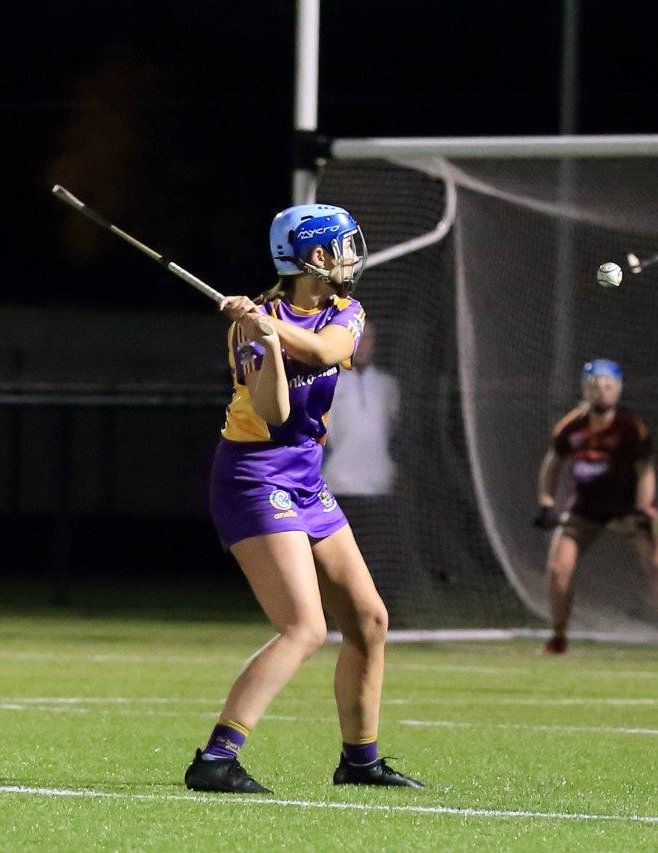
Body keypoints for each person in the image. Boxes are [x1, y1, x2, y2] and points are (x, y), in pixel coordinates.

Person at [185, 203, 422, 794]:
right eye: (343, 247)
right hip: (254, 476)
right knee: (304, 628)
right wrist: (261, 337)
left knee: (369, 620)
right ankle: (215, 760)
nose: (351, 257)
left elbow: (324, 352)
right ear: (315, 257)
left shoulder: (347, 311)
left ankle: (360, 762)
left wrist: (274, 329)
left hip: (306, 479)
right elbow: (272, 412)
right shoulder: (250, 325)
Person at [534, 359, 658, 659]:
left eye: (608, 385)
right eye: (595, 385)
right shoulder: (571, 426)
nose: (602, 391)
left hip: (627, 509)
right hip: (584, 510)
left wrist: (644, 510)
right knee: (558, 570)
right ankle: (558, 637)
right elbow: (553, 463)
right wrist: (546, 501)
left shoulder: (631, 427)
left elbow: (645, 470)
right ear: (585, 389)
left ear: (619, 389)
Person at [322, 321, 400, 497]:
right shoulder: (329, 384)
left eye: (367, 338)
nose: (362, 344)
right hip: (338, 486)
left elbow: (394, 431)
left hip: (380, 485)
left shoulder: (387, 385)